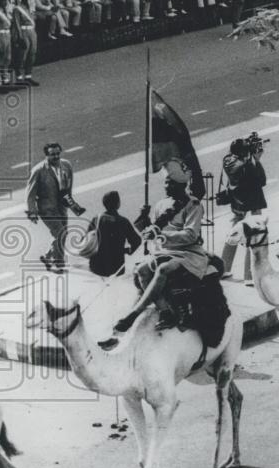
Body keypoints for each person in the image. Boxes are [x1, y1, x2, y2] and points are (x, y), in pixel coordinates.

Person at [100, 159, 210, 348]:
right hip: (163, 251)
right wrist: (144, 219)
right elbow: (148, 231)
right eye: (166, 182)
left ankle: (133, 314)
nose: (167, 186)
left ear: (181, 185)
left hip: (187, 253)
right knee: (142, 270)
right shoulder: (161, 205)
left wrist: (161, 235)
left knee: (164, 270)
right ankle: (165, 311)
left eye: (171, 183)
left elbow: (190, 235)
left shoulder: (194, 205)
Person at [26, 142, 83, 273]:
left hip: (62, 206)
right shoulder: (39, 170)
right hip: (47, 209)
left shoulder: (66, 165)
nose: (56, 156)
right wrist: (32, 212)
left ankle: (48, 257)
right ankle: (59, 263)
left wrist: (71, 203)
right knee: (60, 233)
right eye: (52, 154)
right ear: (46, 156)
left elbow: (69, 186)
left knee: (63, 234)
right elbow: (30, 193)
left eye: (58, 153)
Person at [219, 134, 268, 284]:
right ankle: (249, 275)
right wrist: (257, 160)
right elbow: (261, 180)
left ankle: (224, 268)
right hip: (252, 203)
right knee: (252, 235)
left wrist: (247, 150)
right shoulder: (246, 166)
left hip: (237, 203)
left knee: (232, 234)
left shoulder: (228, 160)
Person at [85, 191, 141, 278]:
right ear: (118, 204)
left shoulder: (97, 218)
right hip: (116, 267)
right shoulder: (123, 221)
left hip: (96, 265)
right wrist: (127, 251)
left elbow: (87, 238)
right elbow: (137, 241)